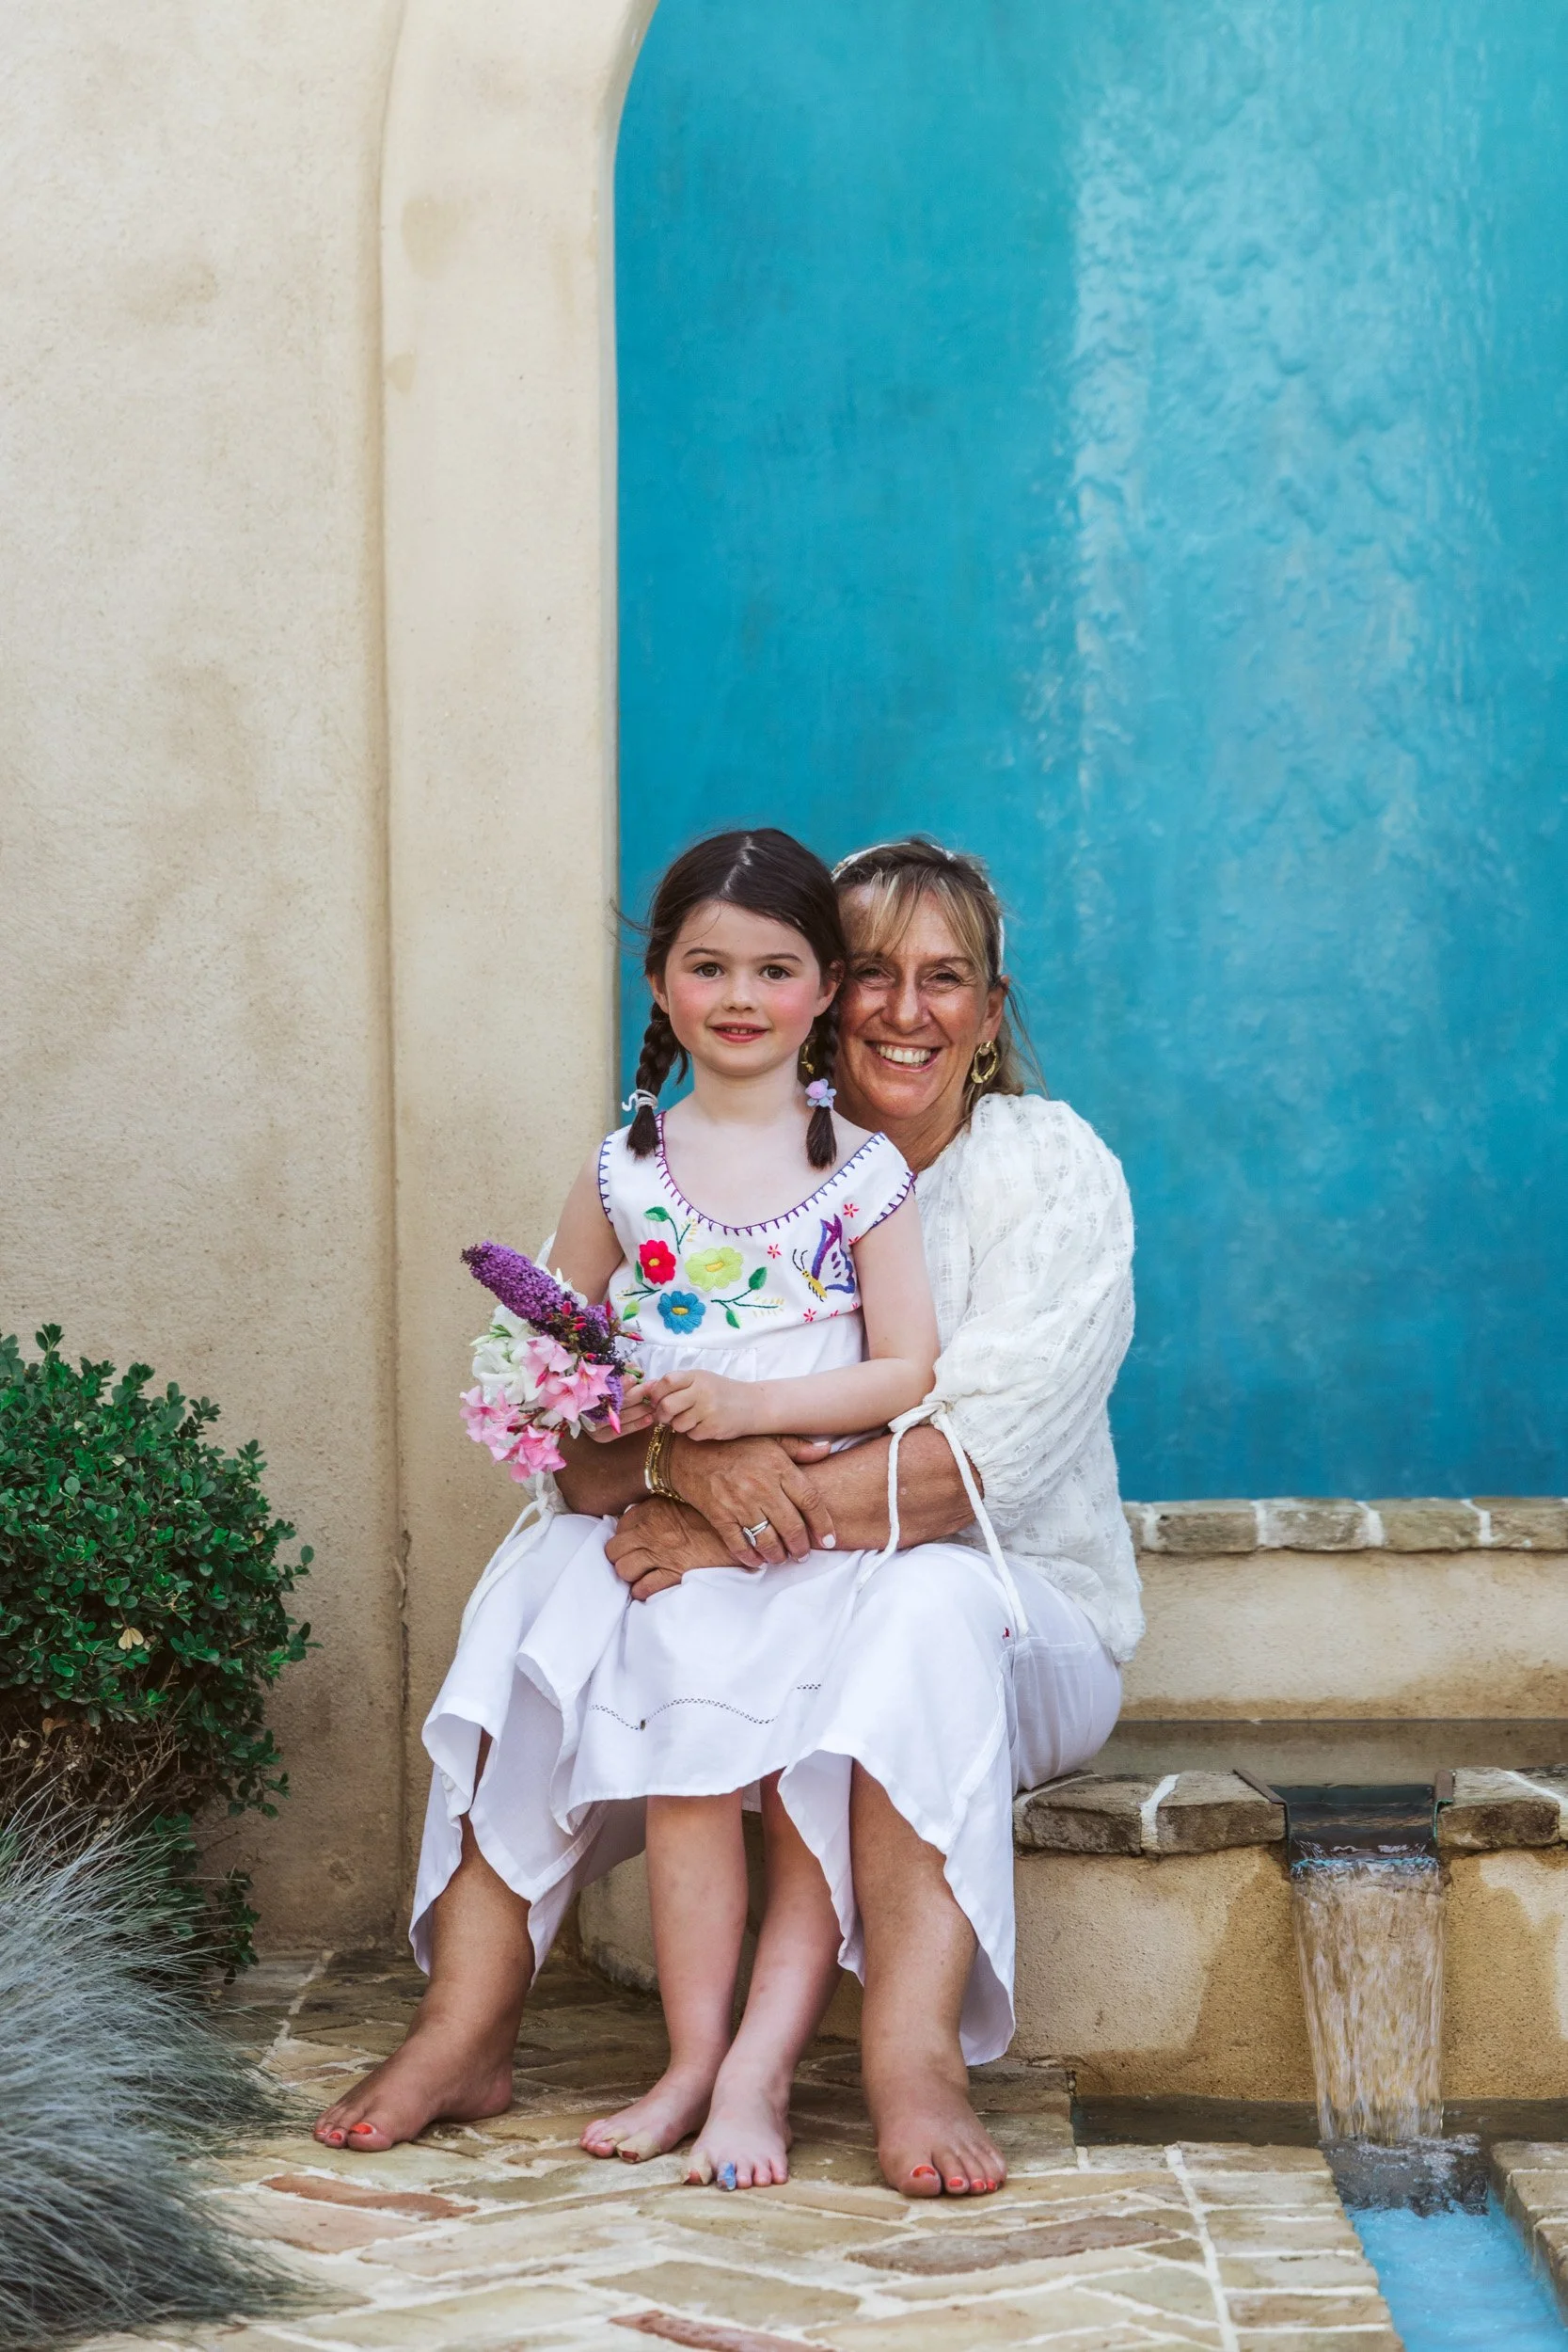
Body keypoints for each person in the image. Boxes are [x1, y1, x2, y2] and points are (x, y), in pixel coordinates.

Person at [316, 834, 1138, 2204]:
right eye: (871, 972)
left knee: (919, 1602)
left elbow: (967, 1467)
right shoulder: (705, 1159)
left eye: (945, 981)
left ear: (989, 1016)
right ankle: (464, 2022)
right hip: (772, 1585)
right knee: (541, 1578)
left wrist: (719, 1520)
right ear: (823, 993)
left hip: (1011, 1610)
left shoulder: (1041, 1170)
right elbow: (575, 1451)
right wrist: (678, 1482)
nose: (902, 1009)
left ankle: (910, 2057)